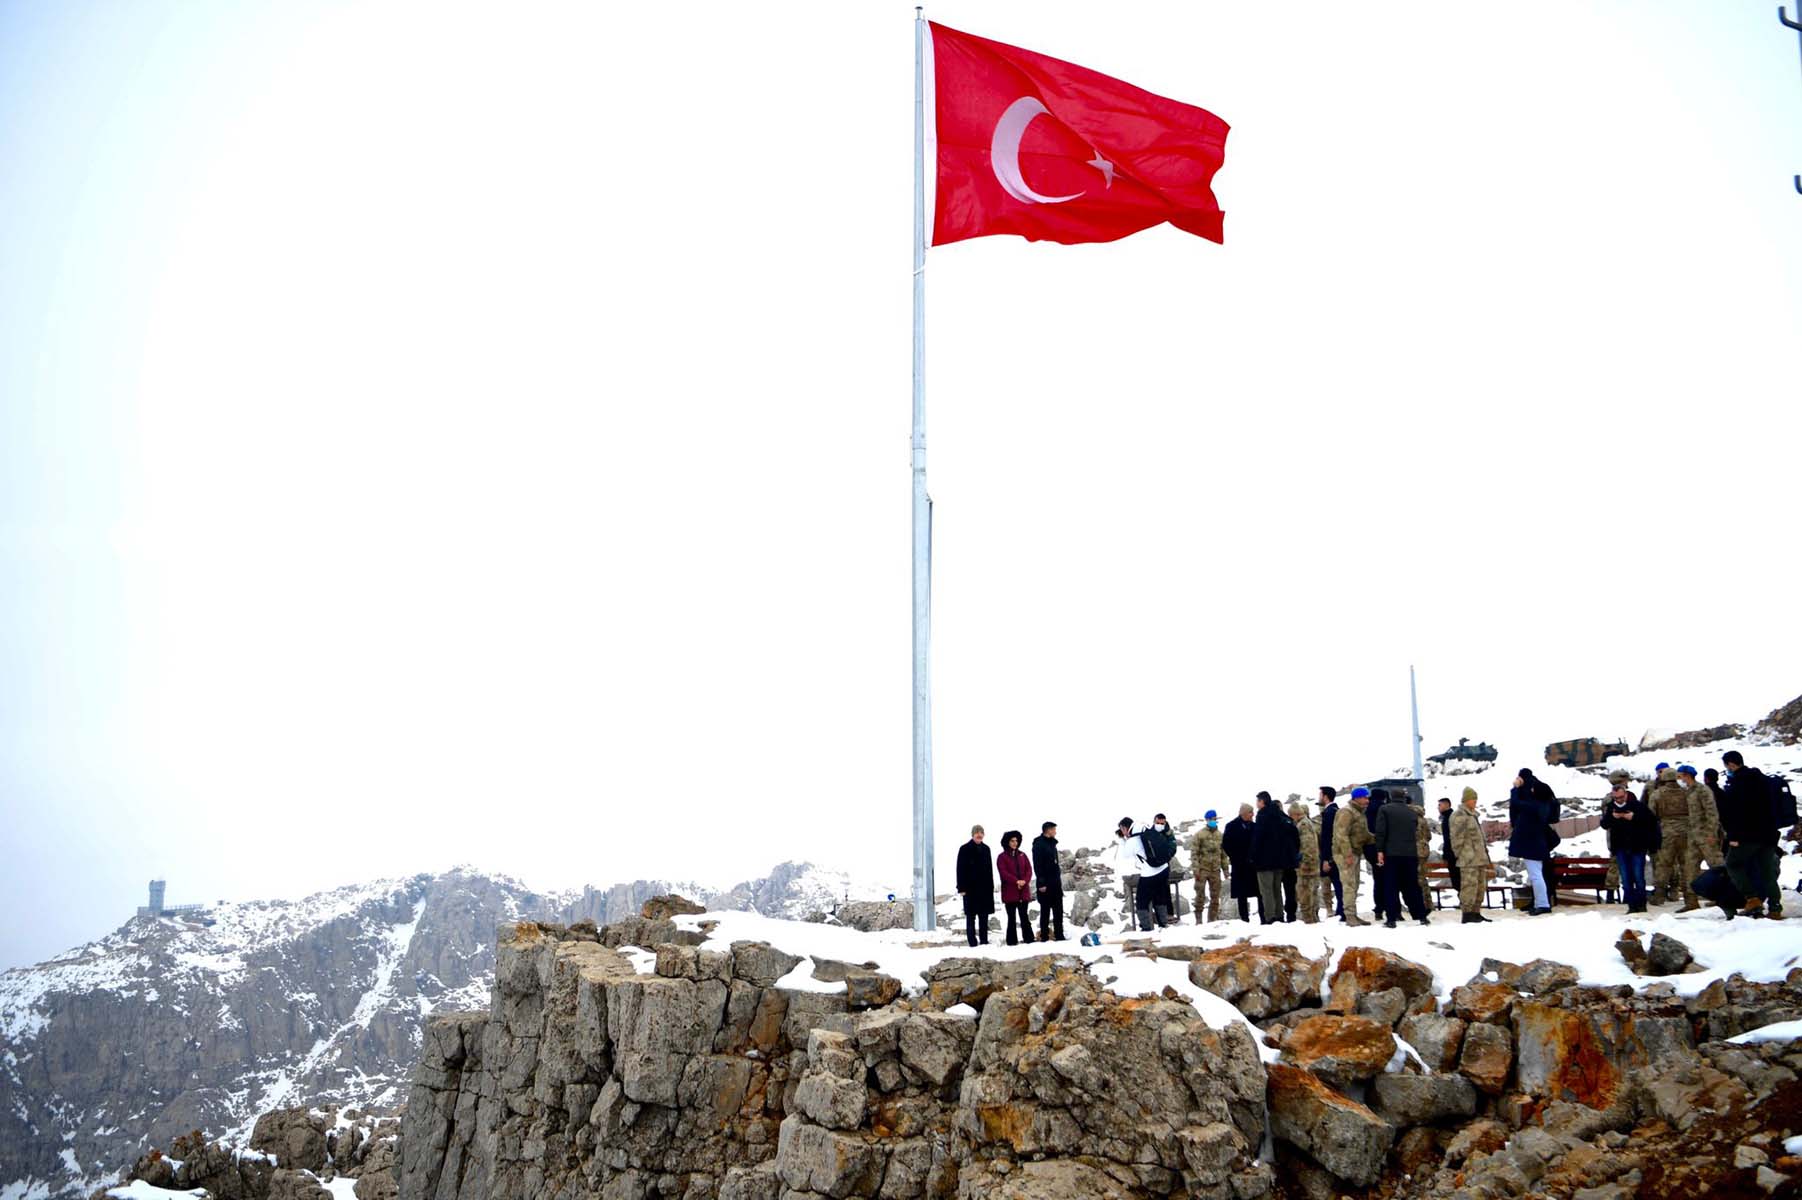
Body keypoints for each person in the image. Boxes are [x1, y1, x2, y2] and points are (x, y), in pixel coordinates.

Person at [1721, 751, 1782, 918]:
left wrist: (1733, 837)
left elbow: (1735, 814)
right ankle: (1775, 908)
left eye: (1726, 766)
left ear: (1731, 764)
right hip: (1768, 835)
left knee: (1733, 864)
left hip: (1746, 836)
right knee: (1767, 871)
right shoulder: (1763, 780)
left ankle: (1752, 899)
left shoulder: (1737, 785)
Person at [1600, 775, 1657, 912]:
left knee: (1638, 877)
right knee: (1626, 879)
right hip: (1620, 847)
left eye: (1621, 797)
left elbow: (1650, 821)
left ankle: (1641, 904)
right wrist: (1613, 818)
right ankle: (1631, 905)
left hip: (1637, 846)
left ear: (1625, 794)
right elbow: (1604, 824)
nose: (1619, 800)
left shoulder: (1637, 806)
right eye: (1616, 798)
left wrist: (1633, 817)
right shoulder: (1610, 807)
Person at [1374, 792, 1430, 926]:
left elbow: (1381, 831)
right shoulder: (1411, 813)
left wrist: (1380, 851)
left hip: (1391, 853)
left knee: (1390, 886)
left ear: (1391, 798)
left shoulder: (1385, 810)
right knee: (1412, 886)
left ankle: (1391, 918)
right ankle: (1421, 915)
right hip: (1410, 854)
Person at [1509, 768, 1558, 914]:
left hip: (1532, 843)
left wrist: (1515, 788)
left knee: (1536, 875)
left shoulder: (1533, 806)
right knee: (1536, 874)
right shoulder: (1541, 805)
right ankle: (1538, 902)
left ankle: (1543, 904)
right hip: (1538, 842)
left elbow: (1516, 802)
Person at [1647, 766, 1698, 909]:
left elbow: (1651, 816)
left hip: (1666, 833)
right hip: (1686, 832)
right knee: (1686, 866)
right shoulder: (1686, 793)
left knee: (1664, 865)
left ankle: (1659, 896)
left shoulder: (1657, 795)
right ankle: (1689, 897)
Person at [1116, 817, 1172, 931]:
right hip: (1164, 868)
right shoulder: (1145, 829)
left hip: (1150, 873)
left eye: (1122, 830)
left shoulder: (1132, 840)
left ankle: (1147, 928)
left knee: (1141, 901)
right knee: (1159, 897)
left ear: (1124, 828)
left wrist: (1122, 840)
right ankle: (1163, 924)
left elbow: (1126, 855)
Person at [1251, 792, 1297, 924]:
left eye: (1258, 801)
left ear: (1262, 801)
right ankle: (1279, 915)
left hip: (1264, 861)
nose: (1257, 804)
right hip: (1279, 860)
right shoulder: (1279, 815)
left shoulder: (1262, 815)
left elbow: (1258, 838)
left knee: (1267, 891)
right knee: (1277, 889)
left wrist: (1253, 856)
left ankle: (1270, 917)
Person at [1450, 787, 1493, 922]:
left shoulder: (1473, 815)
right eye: (1473, 799)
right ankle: (1467, 913)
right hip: (1468, 859)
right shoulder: (1459, 815)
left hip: (1479, 858)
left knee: (1480, 887)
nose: (1475, 802)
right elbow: (1456, 838)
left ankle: (1476, 912)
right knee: (1469, 886)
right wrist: (1462, 854)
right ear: (1466, 800)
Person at [1333, 788, 1374, 926]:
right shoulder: (1347, 812)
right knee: (1349, 885)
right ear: (1357, 798)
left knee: (1354, 884)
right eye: (1364, 798)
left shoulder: (1359, 813)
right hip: (1345, 854)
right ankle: (1349, 915)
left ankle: (1353, 914)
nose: (1367, 800)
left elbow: (1363, 833)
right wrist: (1347, 854)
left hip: (1356, 851)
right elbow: (1341, 835)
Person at [955, 825, 994, 946]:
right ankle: (972, 942)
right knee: (971, 917)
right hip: (970, 889)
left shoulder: (986, 849)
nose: (979, 834)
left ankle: (984, 941)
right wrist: (961, 887)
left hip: (984, 889)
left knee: (984, 917)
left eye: (981, 832)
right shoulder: (964, 849)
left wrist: (991, 887)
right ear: (972, 834)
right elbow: (960, 869)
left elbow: (989, 870)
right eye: (977, 832)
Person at [1681, 766, 1724, 871]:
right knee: (1690, 868)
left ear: (1687, 775)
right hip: (1693, 835)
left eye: (1681, 775)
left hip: (1706, 835)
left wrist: (1711, 833)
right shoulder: (1687, 791)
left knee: (1716, 866)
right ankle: (1693, 887)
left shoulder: (1702, 790)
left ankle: (1724, 887)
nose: (1680, 779)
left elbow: (1712, 813)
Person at [996, 830, 1035, 945]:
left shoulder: (1022, 855)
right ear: (1007, 842)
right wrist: (1016, 881)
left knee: (1024, 917)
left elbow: (1029, 870)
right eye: (1012, 841)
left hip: (1023, 892)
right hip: (1010, 893)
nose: (1015, 843)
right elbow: (1003, 872)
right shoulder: (1001, 857)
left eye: (1016, 841)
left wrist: (1025, 881)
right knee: (1011, 918)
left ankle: (1029, 939)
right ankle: (1012, 942)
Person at [1221, 803, 1258, 922]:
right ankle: (1244, 918)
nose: (1253, 815)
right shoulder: (1231, 826)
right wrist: (1235, 857)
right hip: (1239, 865)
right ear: (1243, 813)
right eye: (1250, 812)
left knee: (1258, 891)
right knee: (1242, 894)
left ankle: (1263, 917)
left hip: (1253, 864)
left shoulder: (1254, 826)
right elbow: (1226, 844)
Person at [1032, 821, 1064, 941]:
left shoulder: (1052, 844)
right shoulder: (1039, 844)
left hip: (1055, 883)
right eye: (1054, 829)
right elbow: (1037, 865)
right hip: (1045, 884)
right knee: (1045, 911)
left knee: (1058, 911)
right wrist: (1041, 883)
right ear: (1048, 830)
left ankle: (1059, 935)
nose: (1055, 832)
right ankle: (1044, 937)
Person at [1190, 812, 1225, 923]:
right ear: (1207, 820)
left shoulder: (1220, 835)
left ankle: (1212, 920)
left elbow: (1223, 854)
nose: (1212, 820)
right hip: (1202, 870)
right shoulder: (1199, 835)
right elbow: (1194, 853)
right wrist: (1196, 869)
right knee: (1200, 896)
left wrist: (1226, 870)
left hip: (1215, 870)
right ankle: (1198, 920)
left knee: (1215, 897)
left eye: (1214, 818)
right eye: (1210, 819)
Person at [1290, 801, 1322, 924]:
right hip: (1311, 864)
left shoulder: (1303, 825)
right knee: (1311, 892)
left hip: (1306, 866)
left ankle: (1309, 919)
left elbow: (1308, 846)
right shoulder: (1307, 823)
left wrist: (1304, 862)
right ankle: (1312, 917)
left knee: (1305, 893)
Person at [1365, 787, 1392, 920]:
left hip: (1369, 848)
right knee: (1388, 879)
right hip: (1384, 848)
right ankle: (1390, 908)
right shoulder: (1385, 809)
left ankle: (1378, 909)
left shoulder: (1367, 809)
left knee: (1378, 878)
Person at [1318, 787, 1343, 918]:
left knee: (1337, 883)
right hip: (1338, 853)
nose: (1319, 797)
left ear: (1325, 796)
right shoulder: (1336, 810)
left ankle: (1341, 911)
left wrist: (1327, 859)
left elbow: (1327, 837)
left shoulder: (1329, 813)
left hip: (1332, 855)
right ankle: (1341, 910)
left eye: (1320, 794)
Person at [1149, 813, 1179, 919]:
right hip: (1151, 866)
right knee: (1153, 891)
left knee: (1165, 890)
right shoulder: (1149, 832)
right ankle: (1156, 915)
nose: (1160, 825)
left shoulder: (1168, 832)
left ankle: (1169, 914)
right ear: (1154, 822)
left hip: (1165, 864)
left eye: (1162, 823)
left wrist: (1166, 856)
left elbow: (1173, 846)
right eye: (1158, 823)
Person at [1438, 797, 1460, 899]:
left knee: (1457, 879)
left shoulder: (1450, 818)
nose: (1438, 807)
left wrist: (1448, 852)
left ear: (1447, 805)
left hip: (1454, 854)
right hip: (1452, 853)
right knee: (1456, 879)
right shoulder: (1447, 818)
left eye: (1440, 805)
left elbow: (1451, 838)